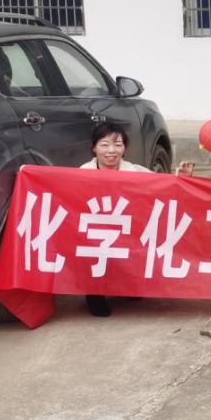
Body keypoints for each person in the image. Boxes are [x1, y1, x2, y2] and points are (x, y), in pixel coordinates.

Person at [80, 122, 150, 317]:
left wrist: (182, 178)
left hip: (127, 227)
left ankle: (129, 286)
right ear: (94, 148)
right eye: (104, 145)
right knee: (93, 251)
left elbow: (165, 186)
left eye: (118, 144)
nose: (111, 150)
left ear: (124, 148)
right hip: (96, 229)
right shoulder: (81, 173)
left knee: (135, 247)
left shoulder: (136, 171)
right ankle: (94, 294)